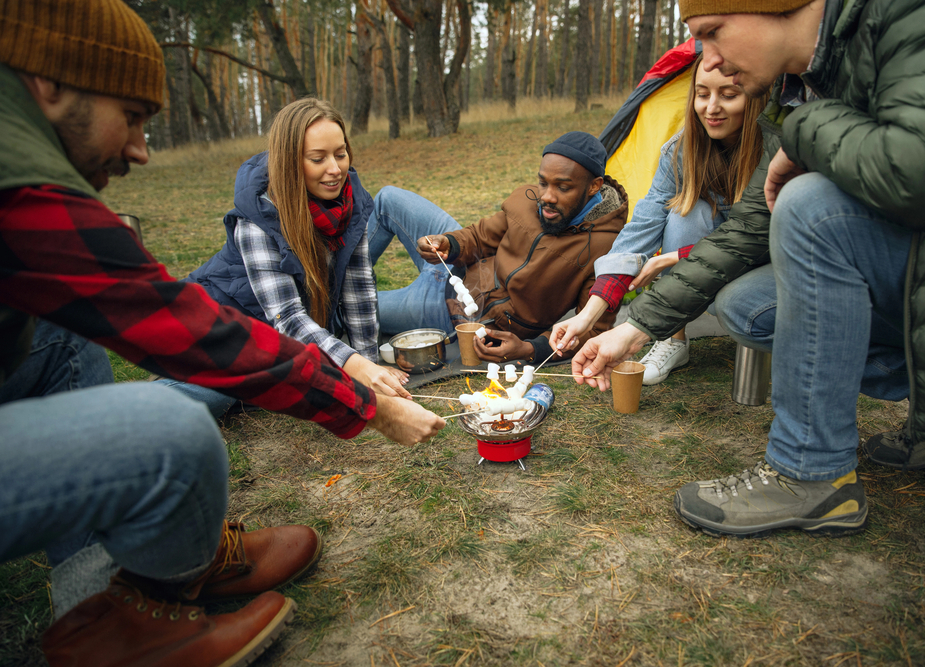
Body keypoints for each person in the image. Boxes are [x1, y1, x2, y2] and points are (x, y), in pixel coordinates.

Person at [0, 1, 444, 665]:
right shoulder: (20, 184)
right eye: (133, 117)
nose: (140, 151)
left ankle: (114, 582)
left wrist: (366, 353)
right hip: (241, 333)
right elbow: (197, 329)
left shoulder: (355, 203)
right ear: (52, 86)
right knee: (172, 433)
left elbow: (348, 300)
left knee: (66, 340)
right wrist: (367, 404)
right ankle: (145, 613)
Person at [572, 0, 925, 537]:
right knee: (748, 305)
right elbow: (745, 232)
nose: (714, 61)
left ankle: (811, 474)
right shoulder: (801, 85)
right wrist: (632, 329)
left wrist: (803, 133)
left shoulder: (914, 16)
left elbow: (924, 170)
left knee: (809, 205)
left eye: (714, 33)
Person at [165, 97, 409, 418]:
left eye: (340, 154)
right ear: (290, 161)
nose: (335, 169)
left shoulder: (352, 201)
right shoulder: (257, 218)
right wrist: (356, 366)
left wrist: (369, 368)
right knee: (220, 396)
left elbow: (359, 289)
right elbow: (288, 320)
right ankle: (134, 401)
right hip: (219, 325)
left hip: (273, 337)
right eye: (318, 159)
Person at [550, 56, 765, 385]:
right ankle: (673, 339)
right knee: (682, 211)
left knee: (734, 299)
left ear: (755, 96)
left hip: (763, 254)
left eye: (728, 95)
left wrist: (674, 257)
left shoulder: (774, 150)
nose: (712, 108)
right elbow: (641, 229)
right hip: (711, 250)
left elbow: (763, 238)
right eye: (702, 94)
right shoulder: (680, 151)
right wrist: (587, 316)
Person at [366, 131, 628, 364]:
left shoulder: (607, 248)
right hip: (459, 266)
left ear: (594, 185)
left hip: (451, 310)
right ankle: (345, 277)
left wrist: (528, 349)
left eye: (563, 187)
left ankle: (339, 299)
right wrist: (450, 243)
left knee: (351, 306)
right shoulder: (527, 200)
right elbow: (481, 236)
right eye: (543, 183)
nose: (546, 196)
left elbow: (594, 330)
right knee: (388, 197)